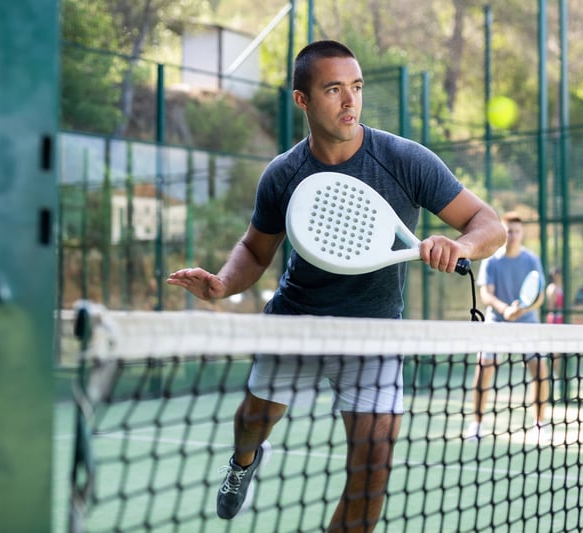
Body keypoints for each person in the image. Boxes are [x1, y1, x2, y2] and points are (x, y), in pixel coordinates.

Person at [167, 40, 505, 531]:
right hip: (296, 324)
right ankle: (243, 463)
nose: (350, 101)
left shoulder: (406, 160)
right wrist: (222, 285)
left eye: (357, 87)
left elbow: (487, 223)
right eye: (333, 89)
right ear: (303, 100)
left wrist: (462, 247)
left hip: (374, 336)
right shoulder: (283, 174)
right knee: (250, 425)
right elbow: (255, 250)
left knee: (372, 472)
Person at [465, 212, 548, 442]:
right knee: (484, 366)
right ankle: (477, 425)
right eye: (508, 231)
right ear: (503, 233)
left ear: (522, 234)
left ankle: (540, 424)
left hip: (527, 321)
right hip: (497, 321)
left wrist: (523, 309)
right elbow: (486, 294)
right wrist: (505, 310)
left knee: (540, 370)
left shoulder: (532, 260)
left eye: (516, 231)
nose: (512, 235)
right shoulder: (492, 260)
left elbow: (539, 296)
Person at [545, 267, 565, 400]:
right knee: (554, 352)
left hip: (562, 322)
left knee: (559, 353)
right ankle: (552, 378)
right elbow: (551, 307)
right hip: (554, 322)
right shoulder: (552, 289)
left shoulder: (562, 288)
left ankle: (557, 378)